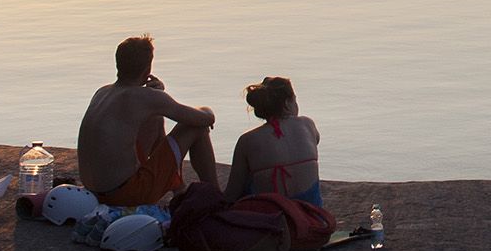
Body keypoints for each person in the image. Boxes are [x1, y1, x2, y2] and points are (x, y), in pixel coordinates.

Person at [77, 35, 218, 208]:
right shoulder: (147, 98)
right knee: (195, 127)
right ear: (147, 69)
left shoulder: (102, 92)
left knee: (154, 118)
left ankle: (178, 188)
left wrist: (157, 97)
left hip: (94, 193)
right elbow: (205, 118)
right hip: (127, 195)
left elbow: (143, 106)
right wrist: (207, 110)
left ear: (118, 64)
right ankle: (215, 196)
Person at [221, 75, 321, 208]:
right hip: (312, 214)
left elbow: (232, 194)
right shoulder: (307, 124)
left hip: (271, 216)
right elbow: (314, 142)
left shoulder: (247, 140)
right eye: (295, 100)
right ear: (287, 103)